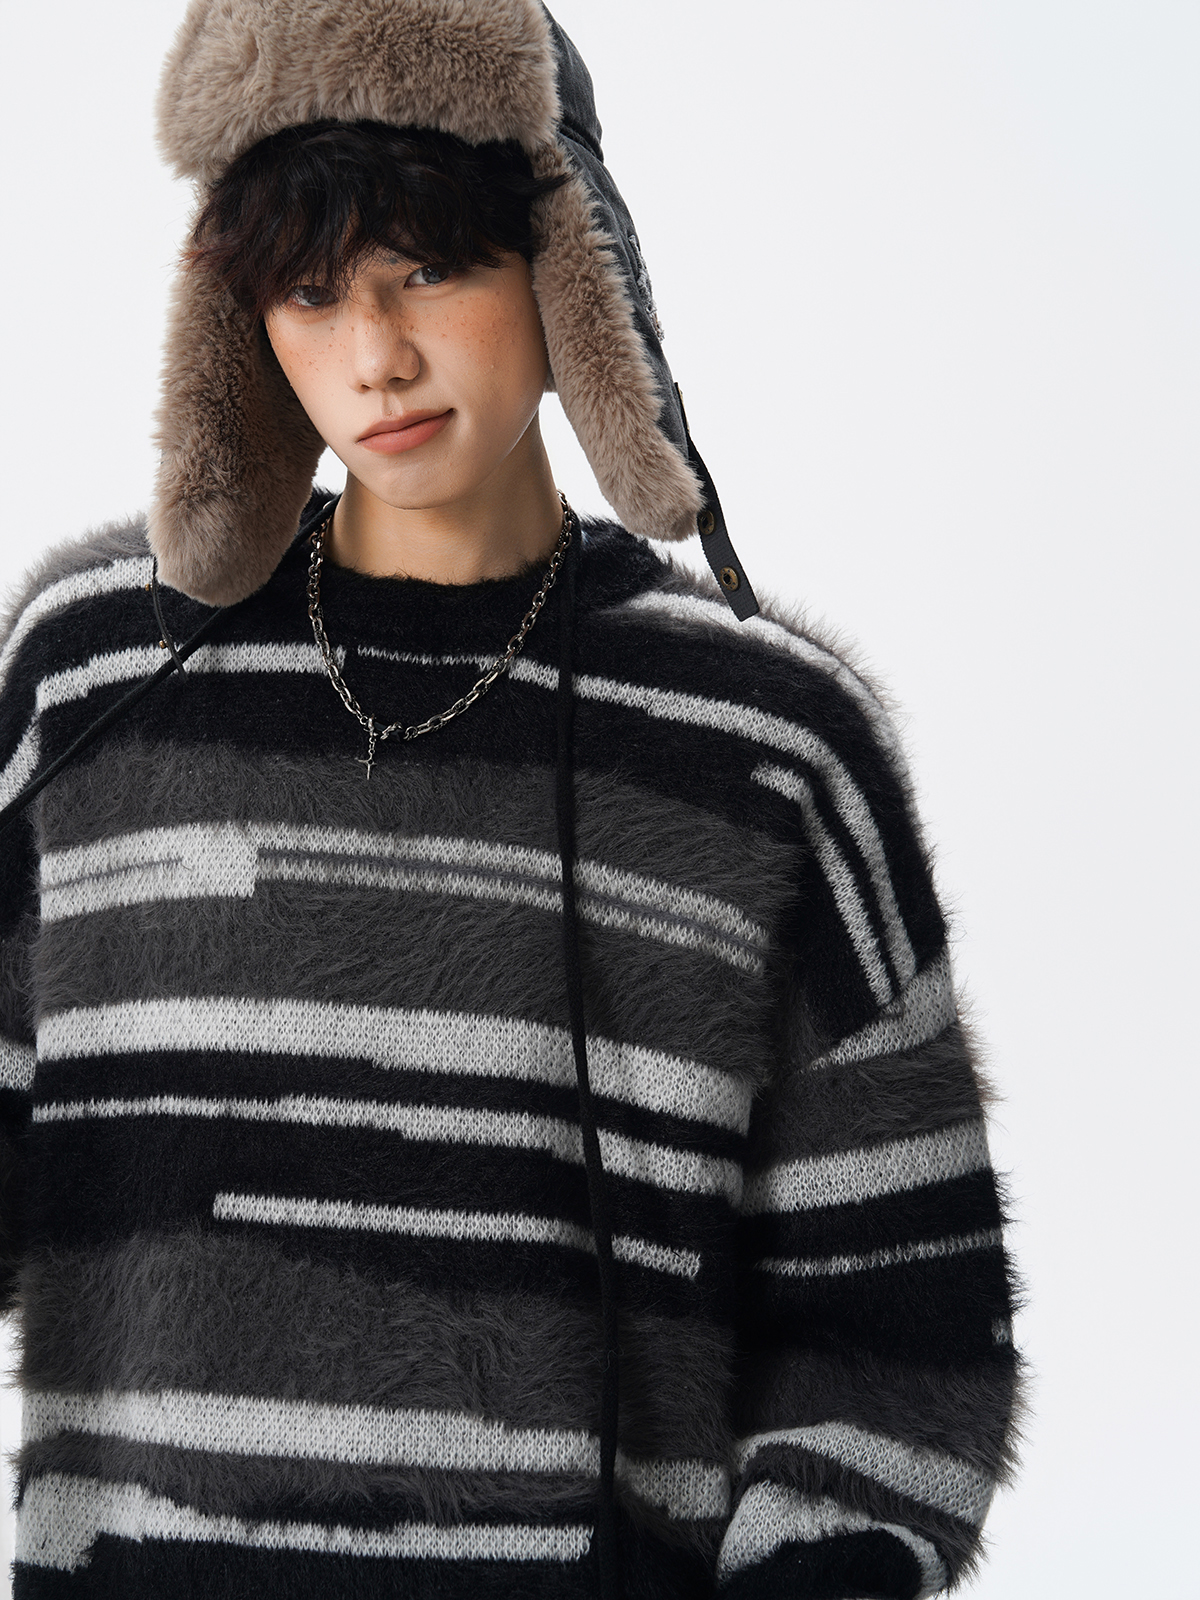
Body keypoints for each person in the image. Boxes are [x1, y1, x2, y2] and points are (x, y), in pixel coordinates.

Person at [0, 2, 1019, 1596]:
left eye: (430, 268)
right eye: (311, 291)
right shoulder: (94, 684)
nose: (376, 357)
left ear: (568, 267)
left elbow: (898, 1337)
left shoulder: (766, 744)